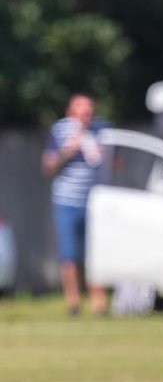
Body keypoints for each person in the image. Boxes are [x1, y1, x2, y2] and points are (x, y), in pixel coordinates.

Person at [42, 94, 110, 316]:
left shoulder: (103, 130)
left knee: (96, 252)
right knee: (69, 253)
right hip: (67, 200)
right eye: (81, 111)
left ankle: (99, 302)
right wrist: (68, 151)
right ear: (71, 113)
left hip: (96, 201)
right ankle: (73, 302)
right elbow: (49, 166)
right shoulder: (60, 130)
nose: (85, 115)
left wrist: (103, 153)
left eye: (89, 110)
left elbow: (116, 163)